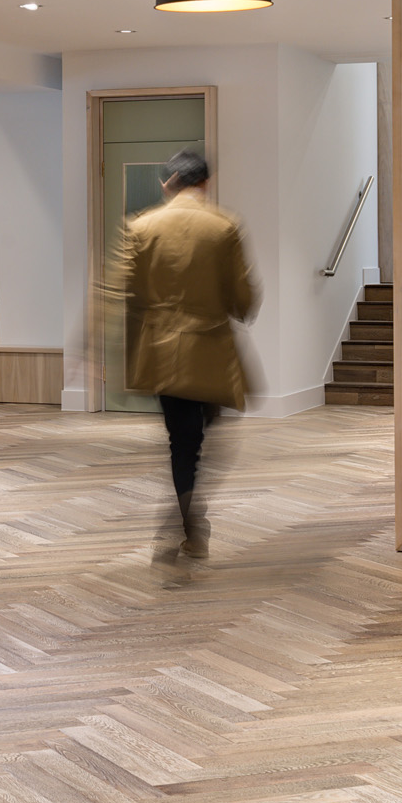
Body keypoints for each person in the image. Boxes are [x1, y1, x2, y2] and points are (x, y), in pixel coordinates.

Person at [118, 148, 259, 557]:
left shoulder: (142, 227)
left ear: (168, 183)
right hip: (212, 351)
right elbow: (243, 295)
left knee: (180, 442)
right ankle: (190, 510)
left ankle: (186, 512)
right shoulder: (224, 225)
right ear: (205, 183)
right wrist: (237, 308)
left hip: (162, 352)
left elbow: (129, 291)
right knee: (203, 438)